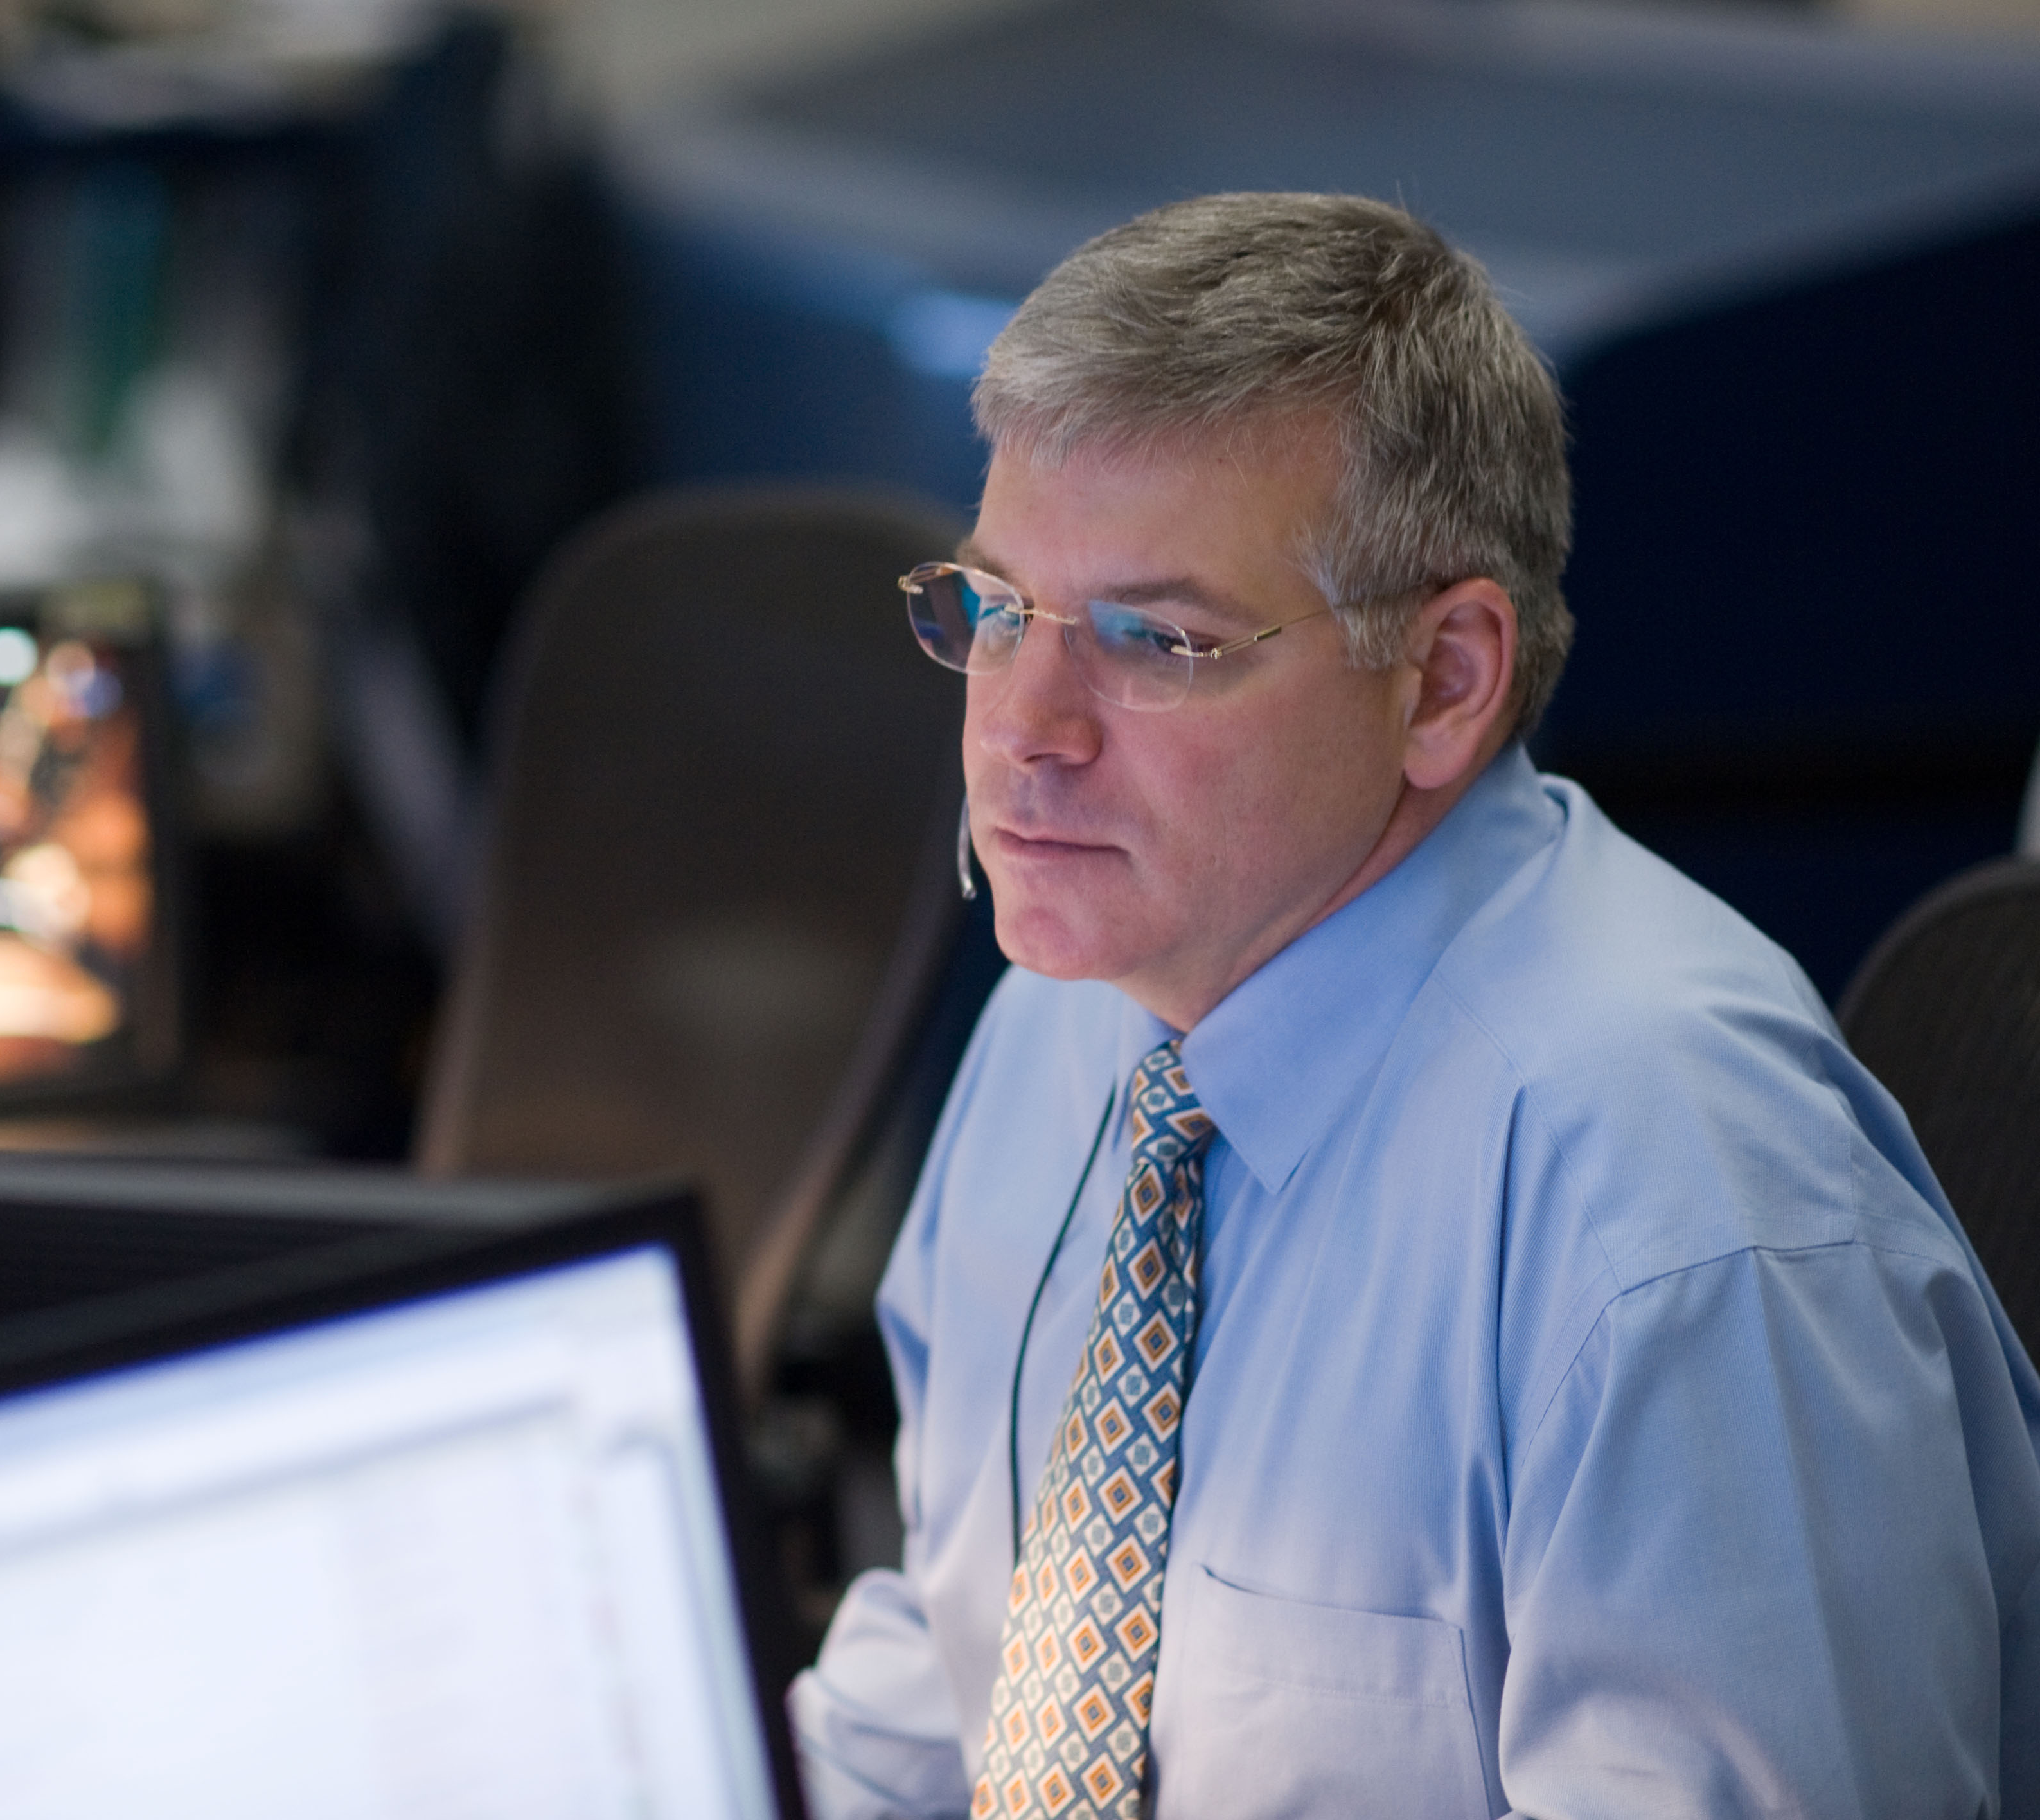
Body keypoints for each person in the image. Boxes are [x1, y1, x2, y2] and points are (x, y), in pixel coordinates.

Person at [790, 192, 2040, 1819]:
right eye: (995, 610)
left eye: (1154, 640)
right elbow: (954, 1674)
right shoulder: (1076, 1008)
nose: (1023, 731)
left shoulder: (1674, 1212)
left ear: (1445, 679)